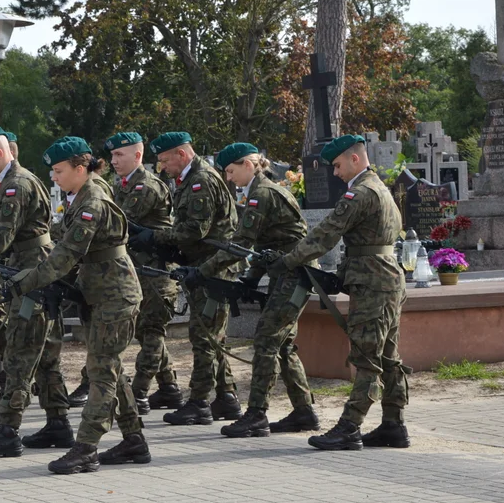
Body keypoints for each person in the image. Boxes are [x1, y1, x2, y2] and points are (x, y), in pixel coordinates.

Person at [10, 137, 148, 474]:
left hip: (115, 295)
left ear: (79, 167)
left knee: (100, 370)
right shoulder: (84, 194)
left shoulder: (93, 202)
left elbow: (63, 257)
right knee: (109, 367)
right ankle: (134, 440)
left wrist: (24, 281)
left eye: (58, 171)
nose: (53, 178)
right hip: (101, 292)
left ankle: (86, 447)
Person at [271, 135, 410, 450]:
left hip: (373, 285)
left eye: (337, 165)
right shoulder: (381, 189)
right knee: (388, 355)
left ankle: (350, 426)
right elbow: (367, 243)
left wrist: (287, 261)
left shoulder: (359, 193)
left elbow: (324, 235)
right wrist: (340, 276)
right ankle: (393, 424)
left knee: (366, 357)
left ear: (355, 160)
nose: (334, 173)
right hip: (385, 279)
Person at [0, 128, 70, 460]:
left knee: (20, 352)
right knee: (46, 354)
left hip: (31, 272)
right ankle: (58, 422)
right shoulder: (15, 181)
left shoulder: (14, 186)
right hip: (33, 267)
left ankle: (8, 431)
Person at [208, 143, 320, 438]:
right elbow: (266, 245)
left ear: (247, 164)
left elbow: (242, 243)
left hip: (296, 274)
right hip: (288, 273)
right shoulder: (263, 191)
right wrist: (251, 277)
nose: (229, 178)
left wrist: (203, 270)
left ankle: (256, 414)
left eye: (231, 171)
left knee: (266, 339)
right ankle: (304, 411)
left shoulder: (261, 194)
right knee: (282, 345)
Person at [132, 132, 241, 425]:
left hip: (214, 269)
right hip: (202, 266)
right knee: (211, 334)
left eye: (165, 159)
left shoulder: (200, 181)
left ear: (182, 154)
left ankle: (199, 403)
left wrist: (155, 236)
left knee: (203, 336)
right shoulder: (188, 180)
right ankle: (227, 397)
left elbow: (195, 230)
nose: (162, 166)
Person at [104, 132, 183, 414]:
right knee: (147, 332)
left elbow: (117, 223)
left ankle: (138, 392)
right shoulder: (121, 184)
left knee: (151, 332)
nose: (114, 161)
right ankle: (170, 388)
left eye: (119, 155)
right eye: (112, 156)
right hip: (137, 271)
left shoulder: (145, 187)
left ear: (137, 156)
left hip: (156, 273)